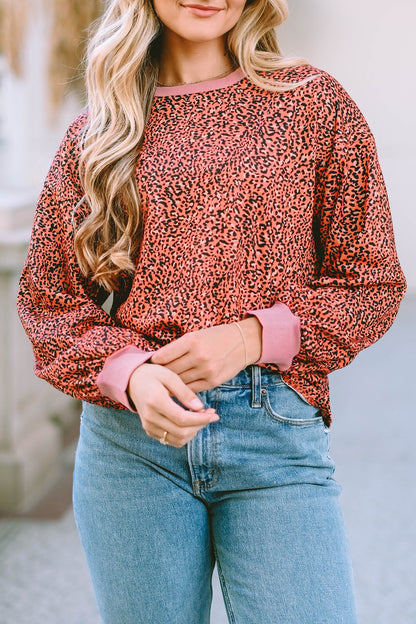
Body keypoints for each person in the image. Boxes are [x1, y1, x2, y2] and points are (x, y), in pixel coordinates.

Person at [17, 0, 406, 622]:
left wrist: (253, 337)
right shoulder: (99, 132)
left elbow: (372, 282)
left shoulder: (314, 105)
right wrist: (132, 374)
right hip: (131, 448)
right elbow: (49, 301)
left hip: (274, 435)